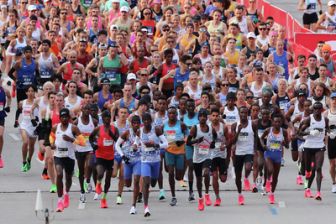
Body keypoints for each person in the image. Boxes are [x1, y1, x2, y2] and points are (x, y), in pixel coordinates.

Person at [49, 108, 85, 212]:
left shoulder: (73, 128)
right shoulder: (56, 128)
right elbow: (51, 137)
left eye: (66, 117)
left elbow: (83, 142)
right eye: (62, 117)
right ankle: (60, 201)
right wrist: (52, 144)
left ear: (69, 118)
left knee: (68, 178)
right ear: (60, 118)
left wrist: (71, 139)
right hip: (58, 156)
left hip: (69, 157)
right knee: (59, 174)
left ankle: (66, 194)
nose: (64, 119)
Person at [298, 102, 329, 200]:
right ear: (313, 109)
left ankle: (318, 193)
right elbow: (299, 132)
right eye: (315, 108)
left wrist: (331, 133)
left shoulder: (325, 119)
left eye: (319, 109)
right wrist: (309, 132)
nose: (316, 110)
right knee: (308, 172)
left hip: (319, 146)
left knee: (318, 168)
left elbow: (327, 129)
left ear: (321, 110)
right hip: (308, 147)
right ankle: (307, 188)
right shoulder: (309, 119)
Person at [187, 108, 216, 211]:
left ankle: (207, 194)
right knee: (199, 179)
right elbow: (188, 142)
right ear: (198, 117)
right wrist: (197, 140)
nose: (203, 118)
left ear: (207, 117)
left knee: (206, 172)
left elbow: (214, 140)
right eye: (201, 116)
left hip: (207, 156)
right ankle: (200, 198)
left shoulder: (211, 129)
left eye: (204, 116)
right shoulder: (195, 128)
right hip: (197, 157)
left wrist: (212, 144)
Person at [139, 112, 168, 217]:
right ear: (142, 121)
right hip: (145, 161)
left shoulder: (156, 129)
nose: (146, 122)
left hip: (156, 161)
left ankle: (153, 182)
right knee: (146, 183)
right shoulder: (140, 131)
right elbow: (136, 142)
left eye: (148, 120)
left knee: (153, 183)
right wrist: (134, 146)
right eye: (144, 120)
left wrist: (156, 145)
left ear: (151, 121)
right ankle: (146, 208)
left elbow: (166, 144)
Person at [89, 110, 119, 208]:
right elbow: (91, 137)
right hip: (100, 155)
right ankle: (98, 184)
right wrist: (93, 144)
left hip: (110, 157)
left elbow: (118, 142)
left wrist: (112, 135)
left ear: (110, 119)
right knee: (100, 173)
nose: (107, 119)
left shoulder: (115, 129)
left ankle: (104, 198)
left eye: (108, 117)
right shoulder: (98, 129)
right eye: (105, 117)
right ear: (102, 119)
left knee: (108, 180)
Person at [231, 106, 258, 205]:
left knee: (248, 167)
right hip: (238, 153)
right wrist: (238, 131)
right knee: (238, 177)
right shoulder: (235, 125)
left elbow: (256, 137)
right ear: (239, 113)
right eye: (241, 112)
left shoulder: (253, 124)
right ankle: (240, 194)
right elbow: (233, 141)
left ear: (248, 114)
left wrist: (255, 150)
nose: (243, 115)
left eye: (245, 113)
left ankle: (246, 178)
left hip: (249, 151)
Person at [260, 113, 289, 204]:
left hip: (278, 155)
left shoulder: (283, 131)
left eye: (279, 122)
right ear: (272, 122)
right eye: (275, 122)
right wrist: (263, 145)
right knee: (270, 169)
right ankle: (268, 181)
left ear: (281, 123)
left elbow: (287, 145)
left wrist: (285, 143)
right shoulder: (268, 130)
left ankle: (272, 194)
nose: (277, 123)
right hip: (268, 153)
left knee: (276, 177)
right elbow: (261, 138)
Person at [115, 115, 142, 214]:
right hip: (127, 161)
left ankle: (133, 206)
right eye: (134, 123)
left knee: (136, 180)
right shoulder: (127, 133)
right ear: (131, 124)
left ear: (140, 124)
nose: (136, 125)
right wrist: (122, 155)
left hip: (138, 161)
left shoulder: (142, 133)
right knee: (128, 183)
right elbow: (117, 145)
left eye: (137, 123)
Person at [163, 106, 187, 206]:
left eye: (174, 113)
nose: (172, 115)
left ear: (176, 115)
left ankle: (182, 173)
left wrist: (182, 141)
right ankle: (173, 196)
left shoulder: (181, 125)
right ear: (167, 115)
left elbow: (187, 136)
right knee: (170, 172)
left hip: (180, 152)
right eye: (170, 113)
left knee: (178, 176)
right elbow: (160, 137)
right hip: (169, 152)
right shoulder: (164, 125)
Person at [73, 104, 98, 203]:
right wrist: (76, 141)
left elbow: (97, 133)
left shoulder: (94, 121)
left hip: (89, 148)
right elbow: (72, 133)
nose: (87, 110)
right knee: (81, 172)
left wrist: (95, 141)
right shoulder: (76, 121)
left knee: (90, 164)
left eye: (89, 109)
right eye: (85, 109)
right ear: (82, 110)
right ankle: (82, 192)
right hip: (80, 149)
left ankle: (87, 181)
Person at [209, 107, 230, 206]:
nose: (215, 117)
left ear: (219, 116)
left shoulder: (223, 127)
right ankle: (217, 197)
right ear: (210, 117)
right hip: (212, 155)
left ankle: (226, 171)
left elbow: (227, 139)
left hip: (222, 155)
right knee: (214, 176)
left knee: (223, 179)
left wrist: (224, 145)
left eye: (217, 116)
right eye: (213, 116)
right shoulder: (208, 127)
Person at [182, 98, 199, 201]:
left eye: (193, 106)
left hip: (198, 145)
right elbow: (182, 132)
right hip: (188, 145)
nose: (191, 108)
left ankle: (201, 190)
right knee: (191, 166)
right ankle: (191, 191)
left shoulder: (199, 117)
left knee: (199, 168)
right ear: (186, 107)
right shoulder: (183, 118)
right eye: (189, 106)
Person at [19, 85, 38, 172]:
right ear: (26, 92)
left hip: (34, 126)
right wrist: (16, 120)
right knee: (25, 142)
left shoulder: (37, 102)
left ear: (34, 92)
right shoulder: (22, 102)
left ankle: (29, 160)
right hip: (24, 125)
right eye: (29, 91)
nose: (30, 93)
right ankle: (23, 162)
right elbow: (18, 111)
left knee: (31, 146)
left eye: (32, 91)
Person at [324, 92, 336, 193]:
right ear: (330, 101)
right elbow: (322, 127)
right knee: (332, 164)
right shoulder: (326, 113)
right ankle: (334, 183)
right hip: (331, 140)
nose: (334, 101)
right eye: (333, 99)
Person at [0, 77, 11, 168]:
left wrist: (8, 106)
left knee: (0, 135)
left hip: (1, 115)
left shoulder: (4, 90)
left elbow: (9, 97)